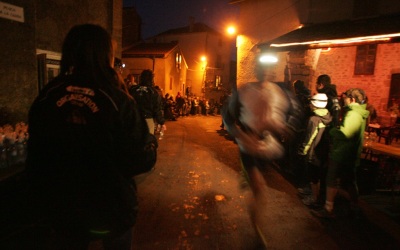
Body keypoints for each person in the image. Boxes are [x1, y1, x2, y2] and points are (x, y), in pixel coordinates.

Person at [25, 24, 156, 249]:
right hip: (110, 208)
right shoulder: (117, 99)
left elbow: (36, 155)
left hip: (62, 208)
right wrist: (151, 142)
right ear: (106, 55)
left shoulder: (48, 95)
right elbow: (141, 159)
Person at [222, 57, 303, 247]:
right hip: (249, 144)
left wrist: (287, 128)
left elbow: (295, 111)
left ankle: (247, 179)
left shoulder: (280, 91)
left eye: (267, 69)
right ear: (256, 70)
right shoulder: (244, 90)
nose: (264, 72)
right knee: (259, 188)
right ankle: (257, 230)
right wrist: (238, 133)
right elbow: (227, 115)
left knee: (260, 185)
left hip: (269, 144)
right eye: (261, 69)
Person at [313, 88, 369, 218]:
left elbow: (345, 132)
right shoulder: (358, 112)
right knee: (350, 180)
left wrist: (333, 131)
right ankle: (354, 205)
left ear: (352, 99)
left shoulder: (353, 114)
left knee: (332, 179)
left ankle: (328, 209)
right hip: (350, 154)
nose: (343, 100)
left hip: (341, 153)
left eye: (345, 98)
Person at [297, 93, 332, 207]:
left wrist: (302, 151)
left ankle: (314, 199)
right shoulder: (328, 116)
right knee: (320, 176)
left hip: (314, 151)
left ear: (314, 104)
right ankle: (317, 196)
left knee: (313, 177)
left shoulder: (314, 119)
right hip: (324, 152)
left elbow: (309, 137)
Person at [129, 70, 166, 134]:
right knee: (148, 141)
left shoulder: (133, 89)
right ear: (151, 79)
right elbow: (157, 108)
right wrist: (161, 122)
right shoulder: (153, 92)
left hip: (134, 120)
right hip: (147, 120)